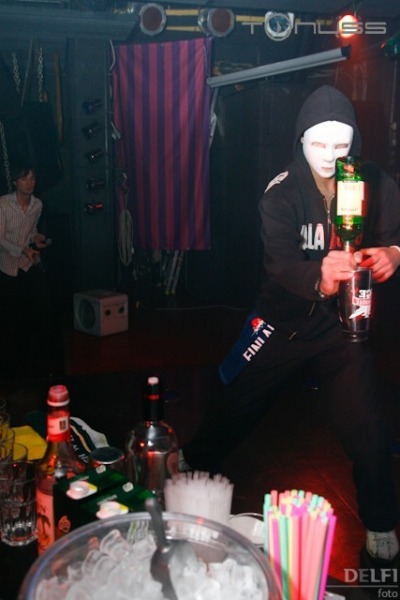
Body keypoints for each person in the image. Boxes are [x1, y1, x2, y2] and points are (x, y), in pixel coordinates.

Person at [180, 85, 400, 562]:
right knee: (236, 398)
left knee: (367, 422)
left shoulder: (374, 181)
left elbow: (394, 234)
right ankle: (189, 463)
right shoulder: (280, 192)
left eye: (341, 144)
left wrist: (394, 253)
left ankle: (381, 520)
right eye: (318, 142)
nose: (330, 154)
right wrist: (318, 277)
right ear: (300, 140)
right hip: (283, 322)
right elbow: (278, 263)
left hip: (343, 330)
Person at [0, 163, 51, 379]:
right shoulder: (3, 204)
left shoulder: (37, 204)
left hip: (27, 265)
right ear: (15, 181)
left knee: (30, 315)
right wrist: (22, 249)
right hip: (7, 267)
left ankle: (28, 366)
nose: (29, 183)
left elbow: (31, 231)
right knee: (8, 319)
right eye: (24, 179)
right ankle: (8, 369)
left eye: (32, 178)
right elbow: (0, 238)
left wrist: (36, 238)